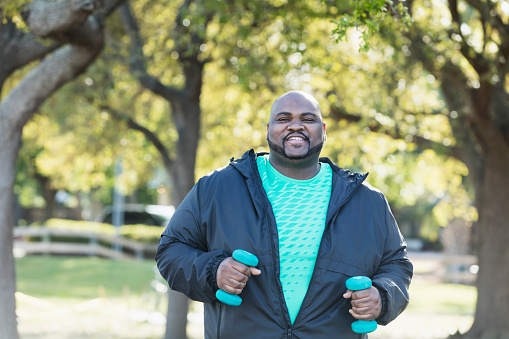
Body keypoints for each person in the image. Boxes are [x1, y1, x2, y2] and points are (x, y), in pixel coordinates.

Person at [156, 91, 413, 338]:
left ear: (323, 131)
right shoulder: (218, 188)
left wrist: (382, 296)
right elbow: (171, 249)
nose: (296, 126)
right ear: (268, 129)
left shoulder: (366, 201)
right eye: (284, 119)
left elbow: (396, 263)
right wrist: (214, 271)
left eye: (308, 119)